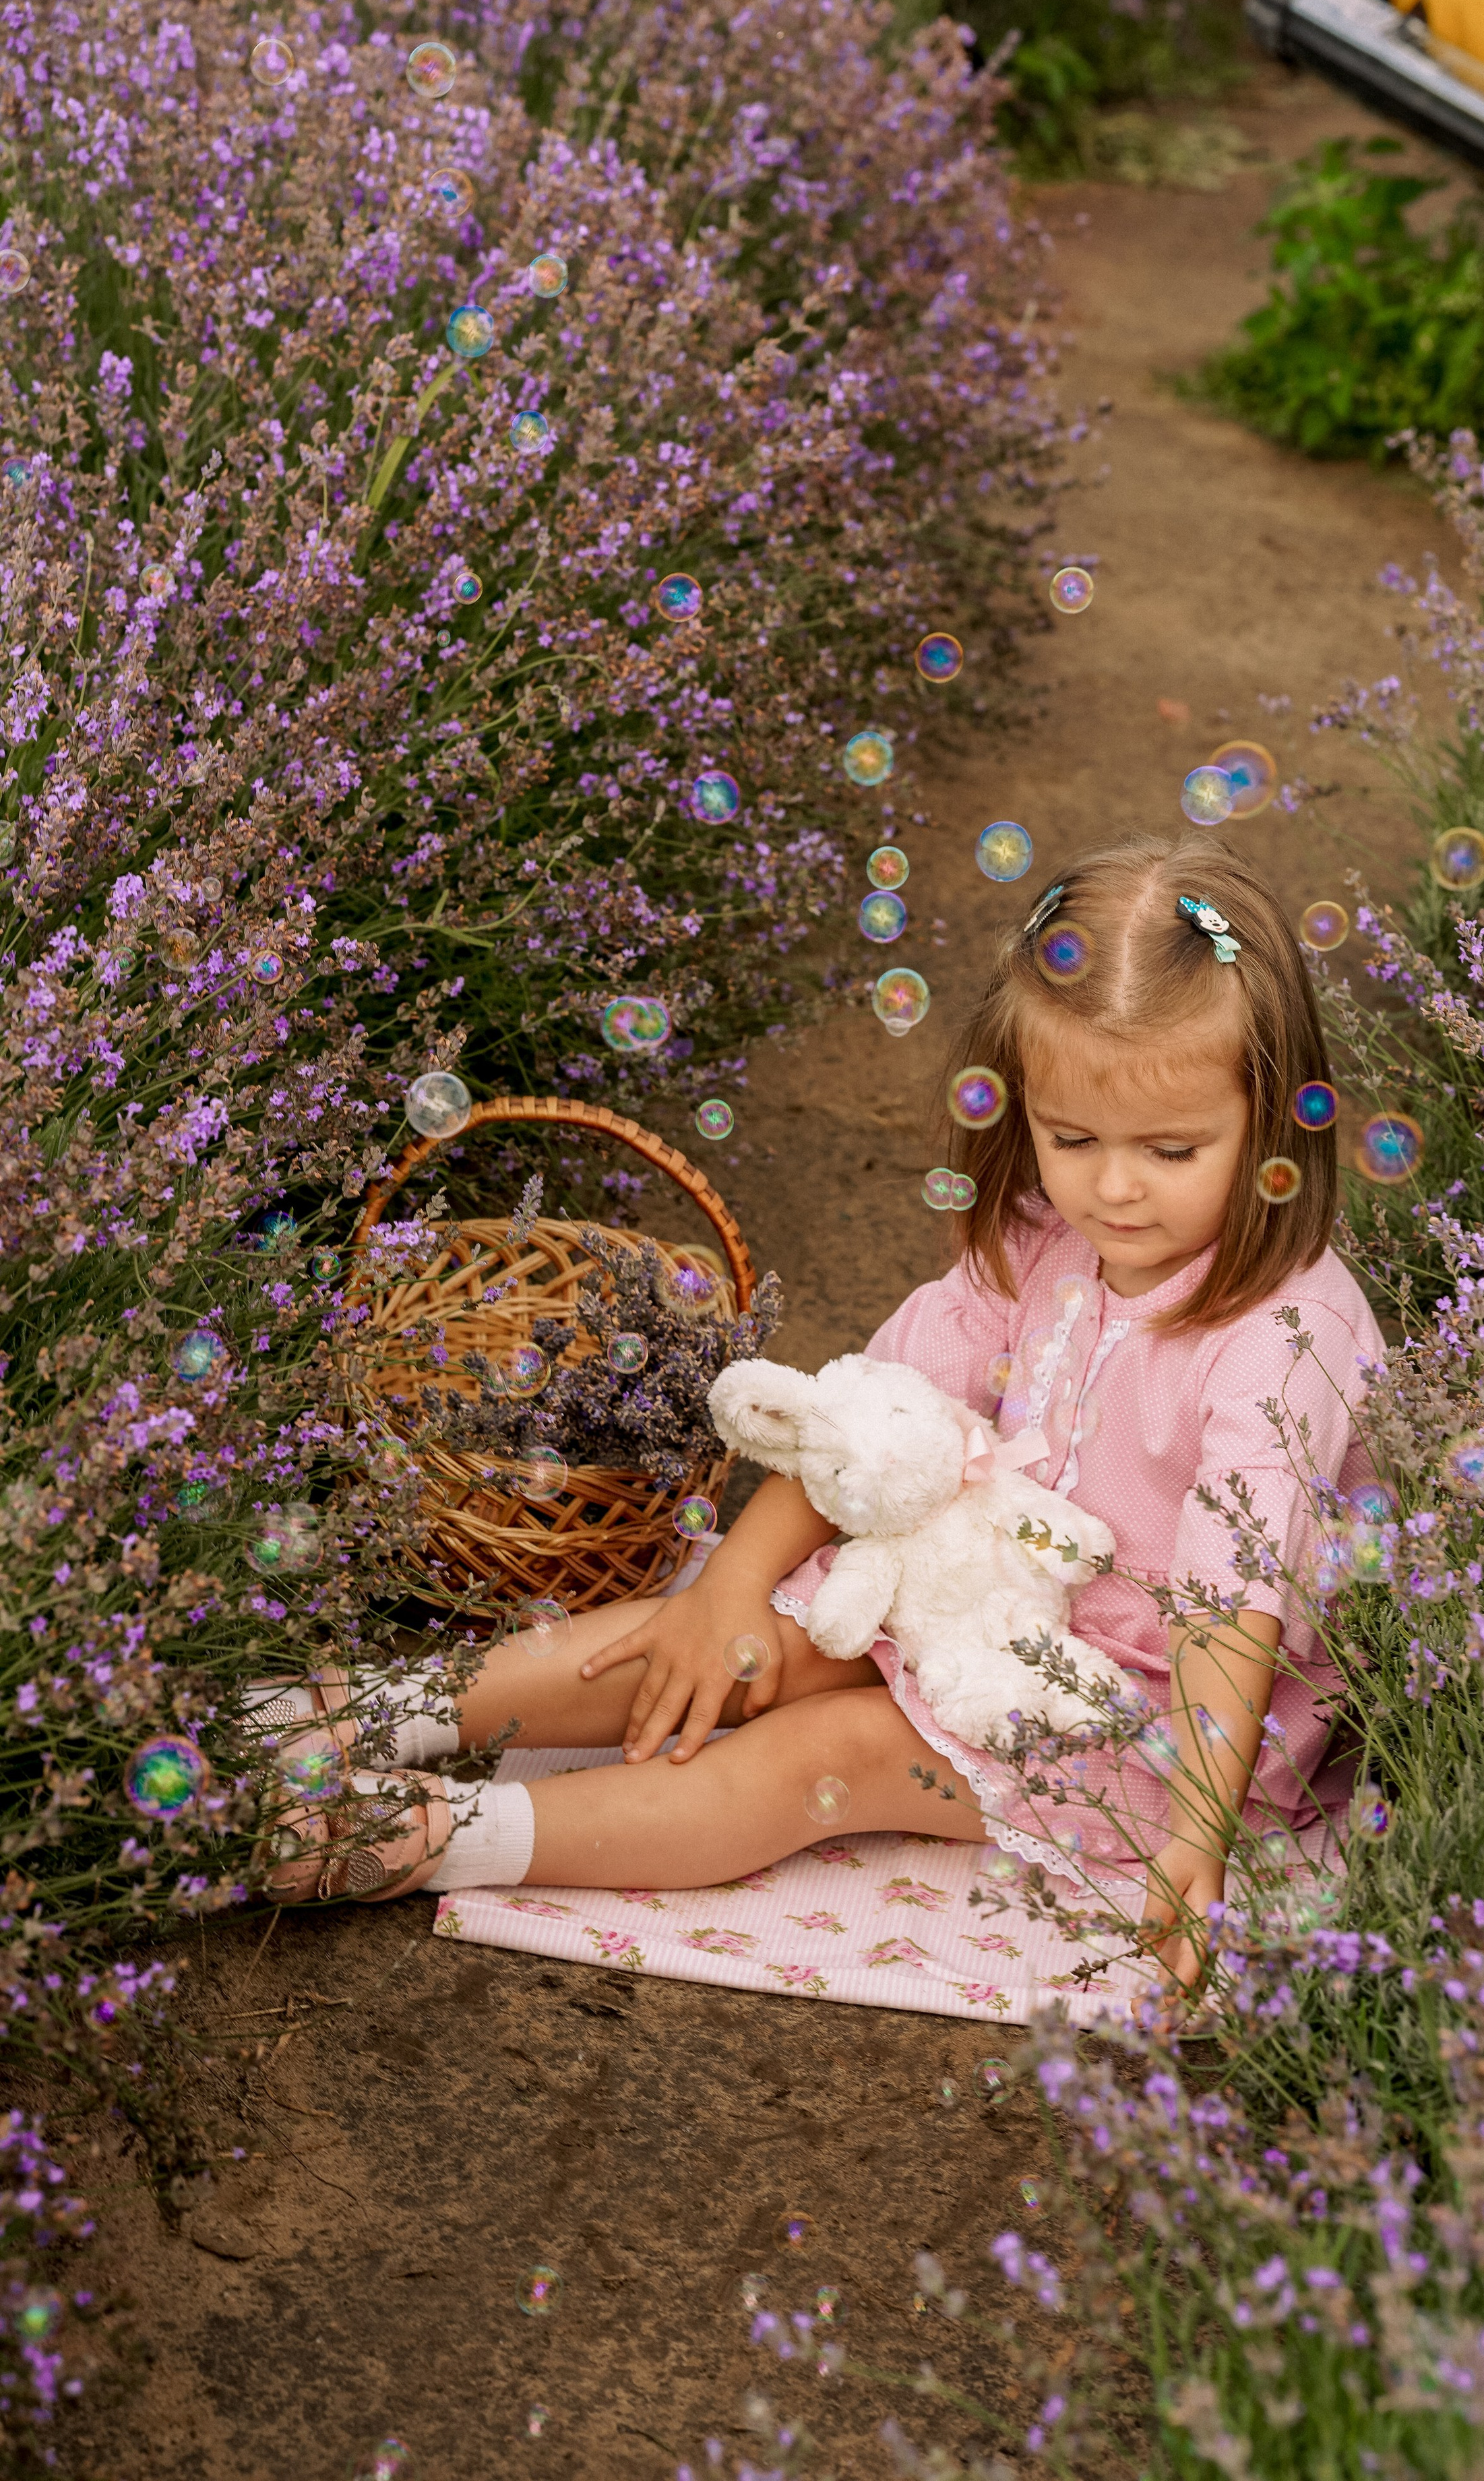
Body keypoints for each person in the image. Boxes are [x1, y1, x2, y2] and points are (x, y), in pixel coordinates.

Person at [255, 832, 1385, 1990]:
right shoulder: (1042, 1242)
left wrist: (1198, 1838)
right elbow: (872, 1424)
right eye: (1071, 1138)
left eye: (1173, 1149)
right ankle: (338, 1713)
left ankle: (434, 1836)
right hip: (973, 1594)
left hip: (1149, 1716)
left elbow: (1229, 1611)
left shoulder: (1283, 1337)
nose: (1114, 1185)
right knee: (738, 1646)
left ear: (1272, 1126)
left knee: (829, 1752)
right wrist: (733, 1593)